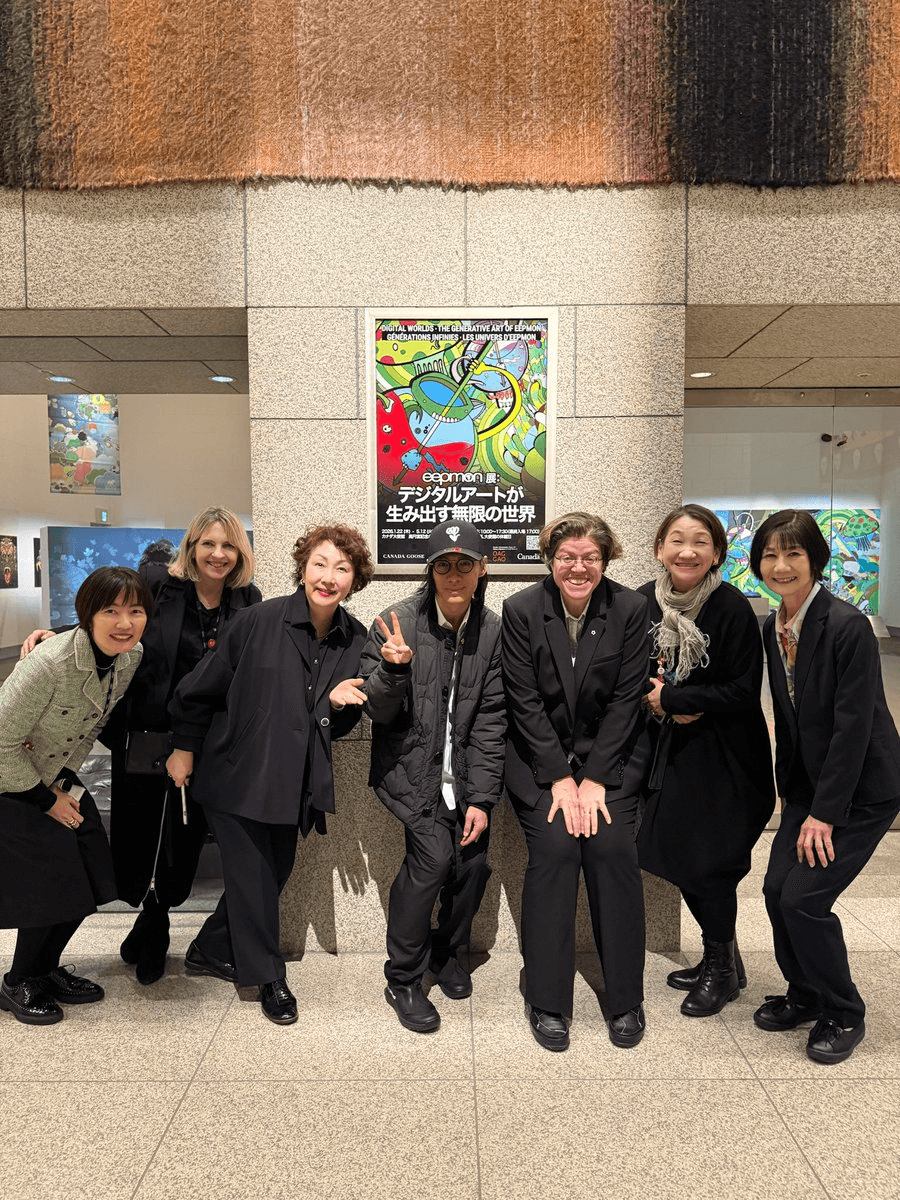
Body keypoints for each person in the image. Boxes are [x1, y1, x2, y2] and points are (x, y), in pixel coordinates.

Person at [21, 507, 261, 985]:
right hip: (145, 737)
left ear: (240, 554)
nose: (218, 554)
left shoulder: (247, 600)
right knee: (141, 833)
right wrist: (58, 637)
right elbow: (115, 623)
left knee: (184, 837)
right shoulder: (158, 584)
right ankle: (150, 922)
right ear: (192, 546)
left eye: (228, 546)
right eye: (208, 543)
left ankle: (156, 920)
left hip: (206, 742)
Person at [166, 524, 373, 1025]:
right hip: (237, 772)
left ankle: (209, 948)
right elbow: (200, 689)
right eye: (320, 564)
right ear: (303, 568)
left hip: (293, 782)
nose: (328, 577)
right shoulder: (257, 620)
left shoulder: (355, 639)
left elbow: (340, 721)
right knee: (255, 878)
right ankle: (267, 977)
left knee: (270, 874)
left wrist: (336, 704)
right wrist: (184, 747)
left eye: (341, 569)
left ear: (354, 580)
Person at [749, 510, 900, 1064]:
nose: (781, 565)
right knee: (774, 890)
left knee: (805, 899)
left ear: (816, 559)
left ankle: (844, 1011)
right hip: (809, 789)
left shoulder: (846, 626)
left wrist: (825, 813)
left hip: (861, 791)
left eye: (793, 553)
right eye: (770, 554)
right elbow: (789, 718)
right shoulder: (775, 625)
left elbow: (852, 726)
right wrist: (794, 797)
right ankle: (806, 992)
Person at [502, 512, 649, 1052]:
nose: (578, 568)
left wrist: (596, 779)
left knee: (612, 850)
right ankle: (547, 999)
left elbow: (627, 699)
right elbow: (523, 701)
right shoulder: (521, 609)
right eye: (567, 557)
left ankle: (625, 998)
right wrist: (561, 779)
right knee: (556, 851)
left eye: (590, 557)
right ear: (550, 560)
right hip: (540, 765)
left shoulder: (630, 608)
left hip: (611, 764)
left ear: (606, 561)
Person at [360, 520, 504, 1033]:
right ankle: (403, 977)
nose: (454, 575)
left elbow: (492, 718)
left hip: (463, 779)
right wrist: (393, 670)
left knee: (473, 866)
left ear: (482, 569)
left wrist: (481, 799)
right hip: (411, 775)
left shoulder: (493, 630)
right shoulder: (394, 623)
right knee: (433, 862)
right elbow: (375, 711)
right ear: (430, 571)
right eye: (443, 565)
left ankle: (445, 952)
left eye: (465, 564)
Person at [636, 504, 775, 1018]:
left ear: (717, 552)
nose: (687, 551)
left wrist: (675, 698)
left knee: (711, 866)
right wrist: (656, 700)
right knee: (683, 859)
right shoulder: (642, 604)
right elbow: (628, 671)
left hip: (728, 761)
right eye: (677, 539)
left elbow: (742, 690)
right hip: (673, 757)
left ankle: (721, 969)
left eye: (700, 541)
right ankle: (724, 959)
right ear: (659, 549)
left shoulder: (731, 607)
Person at [0, 567, 150, 1025]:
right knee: (52, 884)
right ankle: (18, 980)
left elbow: (93, 724)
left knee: (92, 874)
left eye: (136, 611)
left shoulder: (130, 656)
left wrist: (62, 784)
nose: (124, 623)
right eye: (111, 611)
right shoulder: (49, 663)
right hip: (13, 784)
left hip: (57, 777)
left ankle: (45, 969)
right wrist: (47, 800)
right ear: (88, 614)